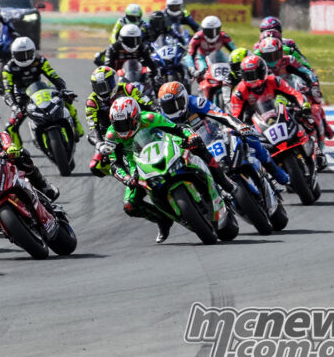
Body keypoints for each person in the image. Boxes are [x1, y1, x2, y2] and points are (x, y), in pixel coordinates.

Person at [100, 97, 226, 243]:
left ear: (136, 117)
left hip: (167, 145)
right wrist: (127, 179)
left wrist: (191, 136)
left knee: (197, 146)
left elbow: (179, 128)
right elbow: (114, 164)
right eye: (117, 124)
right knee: (130, 205)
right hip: (138, 164)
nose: (122, 128)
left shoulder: (151, 118)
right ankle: (163, 219)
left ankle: (223, 182)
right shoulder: (111, 136)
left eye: (125, 123)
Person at [157, 81, 290, 188]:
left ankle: (277, 173)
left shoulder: (196, 102)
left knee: (251, 138)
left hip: (214, 136)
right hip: (192, 152)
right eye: (168, 106)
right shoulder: (162, 119)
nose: (173, 108)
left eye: (177, 103)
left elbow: (221, 115)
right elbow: (164, 143)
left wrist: (239, 126)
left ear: (185, 98)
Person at [228, 55, 325, 168]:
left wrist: (305, 106)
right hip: (255, 124)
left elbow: (294, 94)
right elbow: (235, 115)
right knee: (246, 147)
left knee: (306, 118)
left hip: (278, 113)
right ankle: (264, 174)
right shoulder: (239, 92)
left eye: (254, 74)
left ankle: (317, 151)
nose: (252, 79)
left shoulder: (274, 80)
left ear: (262, 71)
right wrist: (237, 128)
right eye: (248, 76)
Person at [1, 37, 84, 146]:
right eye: (20, 55)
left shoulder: (40, 61)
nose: (25, 59)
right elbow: (8, 91)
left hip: (42, 91)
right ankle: (18, 155)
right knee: (10, 127)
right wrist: (14, 105)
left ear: (33, 52)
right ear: (13, 55)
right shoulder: (8, 68)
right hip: (22, 97)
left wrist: (63, 90)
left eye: (27, 54)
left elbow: (55, 77)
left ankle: (77, 128)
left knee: (66, 100)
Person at [255, 36, 334, 143]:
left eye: (275, 55)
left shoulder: (289, 60)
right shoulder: (257, 63)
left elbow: (307, 72)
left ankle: (318, 131)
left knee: (312, 107)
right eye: (268, 56)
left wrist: (313, 84)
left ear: (281, 52)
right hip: (268, 96)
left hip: (290, 90)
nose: (272, 59)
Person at [85, 66, 155, 175]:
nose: (103, 91)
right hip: (110, 134)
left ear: (113, 81)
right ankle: (124, 174)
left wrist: (155, 112)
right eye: (99, 87)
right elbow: (92, 127)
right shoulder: (91, 102)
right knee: (96, 167)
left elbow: (147, 104)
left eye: (105, 86)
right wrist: (100, 144)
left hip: (135, 125)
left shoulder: (128, 88)